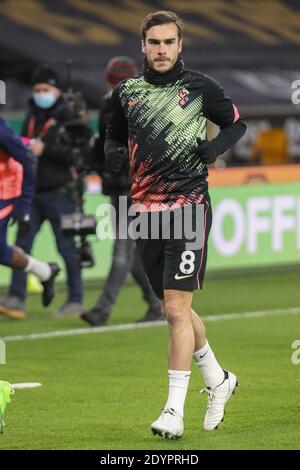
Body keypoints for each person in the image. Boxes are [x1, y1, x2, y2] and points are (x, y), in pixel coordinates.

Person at [105, 11, 247, 438]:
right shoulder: (126, 92)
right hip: (143, 211)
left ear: (180, 46)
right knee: (175, 310)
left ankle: (173, 411)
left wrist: (215, 146)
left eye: (169, 42)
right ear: (143, 47)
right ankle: (218, 380)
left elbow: (237, 123)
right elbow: (112, 134)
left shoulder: (201, 87)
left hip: (188, 207)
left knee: (174, 310)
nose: (162, 49)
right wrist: (112, 153)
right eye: (154, 42)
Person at [81, 56, 163, 326]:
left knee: (123, 249)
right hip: (123, 187)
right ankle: (155, 303)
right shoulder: (135, 105)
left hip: (133, 188)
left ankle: (102, 310)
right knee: (134, 253)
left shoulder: (113, 105)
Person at [0, 65, 84, 319]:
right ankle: (16, 298)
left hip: (60, 191)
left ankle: (75, 299)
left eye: (45, 89)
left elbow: (76, 155)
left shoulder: (69, 117)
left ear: (57, 90)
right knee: (22, 242)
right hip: (33, 191)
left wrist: (44, 150)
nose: (40, 94)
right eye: (37, 90)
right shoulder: (32, 115)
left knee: (67, 247)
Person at [0, 116, 60, 319]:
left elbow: (26, 159)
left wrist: (24, 206)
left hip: (3, 196)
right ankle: (45, 271)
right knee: (2, 254)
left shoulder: (2, 131)